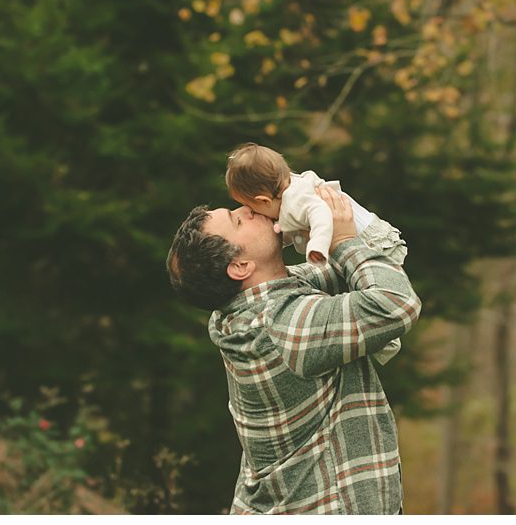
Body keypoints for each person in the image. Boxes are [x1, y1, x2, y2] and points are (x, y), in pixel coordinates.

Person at [166, 185, 418, 514]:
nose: (247, 209)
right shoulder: (281, 326)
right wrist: (342, 240)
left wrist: (309, 205)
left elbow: (355, 271)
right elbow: (395, 302)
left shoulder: (252, 307)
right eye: (237, 221)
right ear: (240, 267)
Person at [226, 142, 405, 365]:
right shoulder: (286, 190)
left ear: (263, 200)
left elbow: (319, 214)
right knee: (355, 297)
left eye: (251, 208)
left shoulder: (297, 200)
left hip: (371, 244)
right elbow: (296, 225)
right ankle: (381, 336)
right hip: (361, 240)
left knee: (371, 301)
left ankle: (386, 339)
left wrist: (317, 247)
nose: (250, 213)